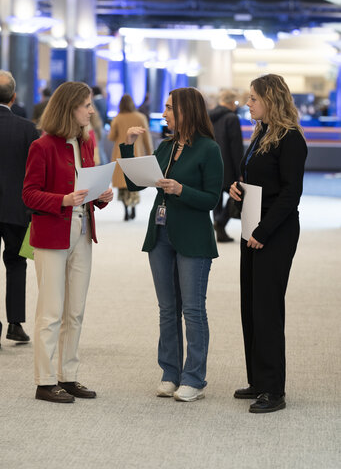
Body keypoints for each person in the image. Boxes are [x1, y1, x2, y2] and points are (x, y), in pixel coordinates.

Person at [120, 87, 223, 402]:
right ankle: (170, 373)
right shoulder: (166, 146)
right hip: (160, 234)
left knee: (192, 309)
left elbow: (211, 200)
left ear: (185, 111)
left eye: (168, 108)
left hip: (192, 236)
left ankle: (194, 378)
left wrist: (181, 190)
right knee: (167, 309)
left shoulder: (208, 149)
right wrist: (127, 147)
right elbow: (136, 181)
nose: (163, 113)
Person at [22, 81, 113, 403]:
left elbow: (87, 190)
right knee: (50, 311)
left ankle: (68, 375)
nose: (92, 110)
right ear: (70, 107)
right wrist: (62, 199)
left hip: (83, 233)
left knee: (75, 310)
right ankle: (44, 381)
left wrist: (102, 196)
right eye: (86, 105)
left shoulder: (85, 144)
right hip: (52, 236)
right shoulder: (43, 145)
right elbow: (29, 194)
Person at [229, 74, 307, 413]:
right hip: (253, 228)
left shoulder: (290, 140)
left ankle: (274, 390)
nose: (248, 104)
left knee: (267, 308)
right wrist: (238, 189)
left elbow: (291, 193)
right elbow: (255, 180)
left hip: (275, 232)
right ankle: (258, 379)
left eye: (253, 99)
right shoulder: (261, 134)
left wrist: (263, 231)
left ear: (271, 101)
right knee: (250, 304)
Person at [0, 70, 39, 348]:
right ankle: (15, 324)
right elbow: (34, 173)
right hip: (17, 209)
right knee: (16, 263)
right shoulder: (27, 129)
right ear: (14, 98)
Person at [108, 94, 153, 221]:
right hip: (136, 152)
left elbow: (111, 137)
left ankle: (125, 209)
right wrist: (150, 153)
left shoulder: (117, 118)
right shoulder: (141, 117)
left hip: (120, 153)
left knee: (122, 185)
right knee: (134, 181)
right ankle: (133, 207)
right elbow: (147, 138)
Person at [209, 89, 244, 242]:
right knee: (235, 195)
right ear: (231, 102)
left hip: (211, 164)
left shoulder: (208, 117)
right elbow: (236, 147)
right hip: (228, 165)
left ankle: (219, 227)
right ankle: (220, 222)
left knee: (216, 198)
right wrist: (240, 170)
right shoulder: (232, 118)